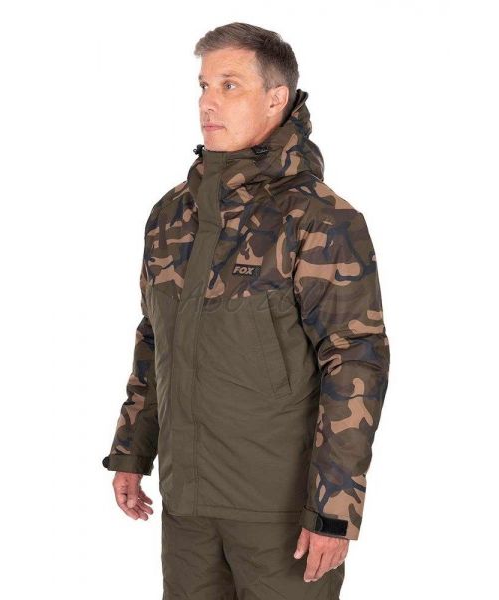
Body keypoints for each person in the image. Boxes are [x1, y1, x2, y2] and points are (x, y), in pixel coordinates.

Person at [102, 22, 390, 599]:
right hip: (187, 506)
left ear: (276, 98)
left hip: (281, 515)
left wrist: (333, 509)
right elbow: (154, 339)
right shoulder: (171, 216)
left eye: (229, 85)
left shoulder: (320, 219)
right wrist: (133, 449)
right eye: (204, 86)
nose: (208, 102)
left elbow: (354, 361)